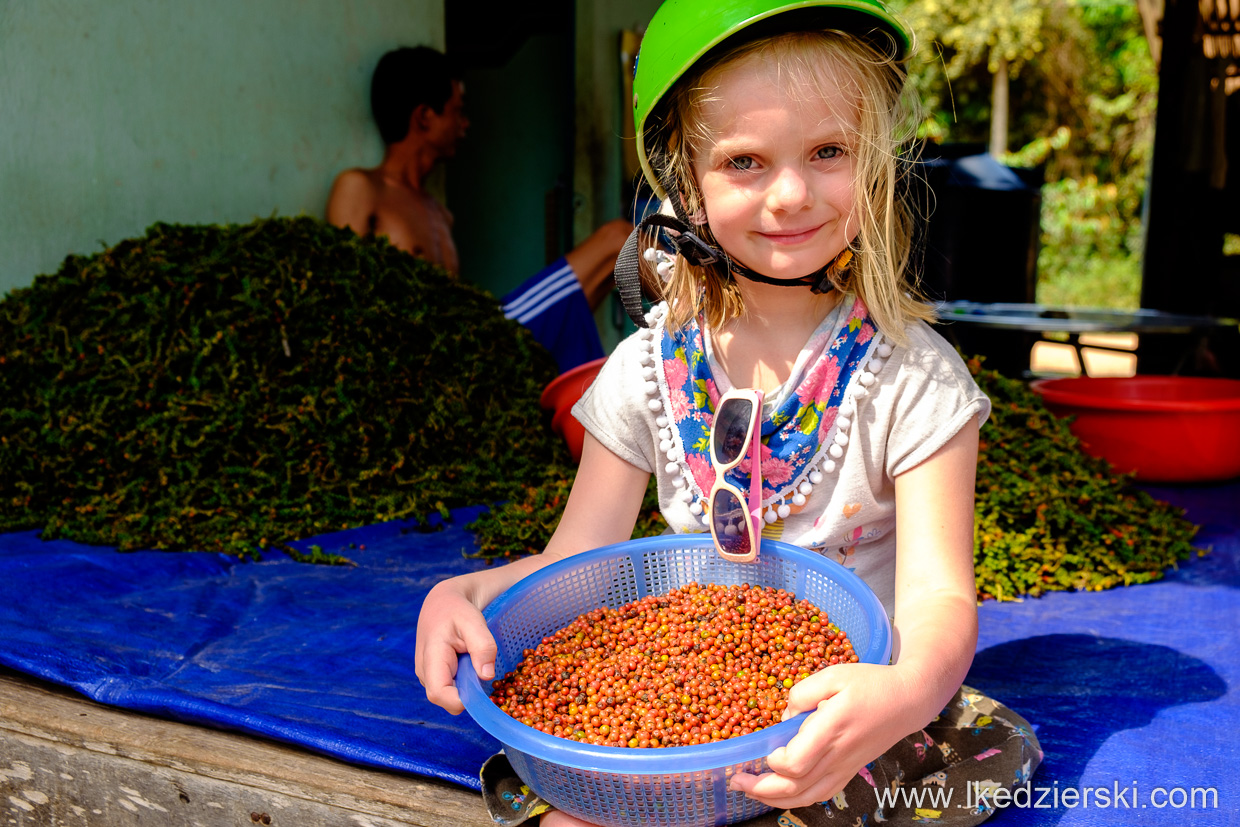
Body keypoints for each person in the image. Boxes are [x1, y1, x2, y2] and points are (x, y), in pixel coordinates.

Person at [415, 1, 1042, 825]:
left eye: (828, 151)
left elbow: (937, 604)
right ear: (686, 183)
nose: (790, 193)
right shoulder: (646, 367)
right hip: (673, 735)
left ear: (877, 162)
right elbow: (577, 560)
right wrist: (466, 592)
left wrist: (904, 689)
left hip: (845, 732)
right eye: (745, 161)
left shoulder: (914, 380)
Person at [326, 45, 632, 373]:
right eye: (457, 111)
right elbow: (338, 300)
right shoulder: (361, 187)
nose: (465, 125)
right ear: (424, 117)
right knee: (616, 237)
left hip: (467, 345)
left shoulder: (439, 213)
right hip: (452, 353)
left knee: (612, 260)